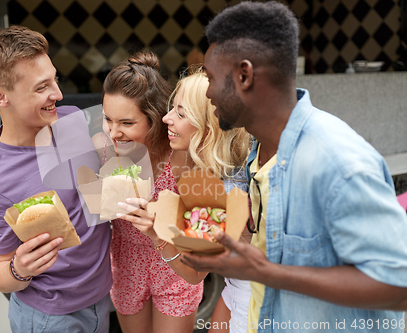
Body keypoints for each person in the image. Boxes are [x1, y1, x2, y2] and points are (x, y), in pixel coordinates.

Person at [180, 2, 407, 333]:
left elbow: (398, 285)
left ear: (244, 75)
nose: (209, 91)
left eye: (212, 78)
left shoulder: (336, 161)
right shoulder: (258, 156)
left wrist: (267, 272)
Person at [0, 26, 112, 333]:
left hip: (103, 300)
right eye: (41, 87)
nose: (58, 95)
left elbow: (98, 198)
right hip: (51, 318)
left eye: (55, 80)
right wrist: (18, 269)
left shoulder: (72, 120)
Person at [116, 67, 252, 333]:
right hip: (235, 287)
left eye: (180, 113)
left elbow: (195, 273)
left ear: (209, 126)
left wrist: (158, 235)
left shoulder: (221, 186)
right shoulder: (208, 175)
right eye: (172, 109)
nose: (167, 118)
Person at [92, 50, 204, 333]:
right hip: (126, 264)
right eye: (108, 119)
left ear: (155, 118)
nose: (113, 133)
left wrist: (160, 225)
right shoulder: (100, 148)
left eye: (127, 123)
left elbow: (201, 253)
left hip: (175, 266)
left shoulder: (184, 158)